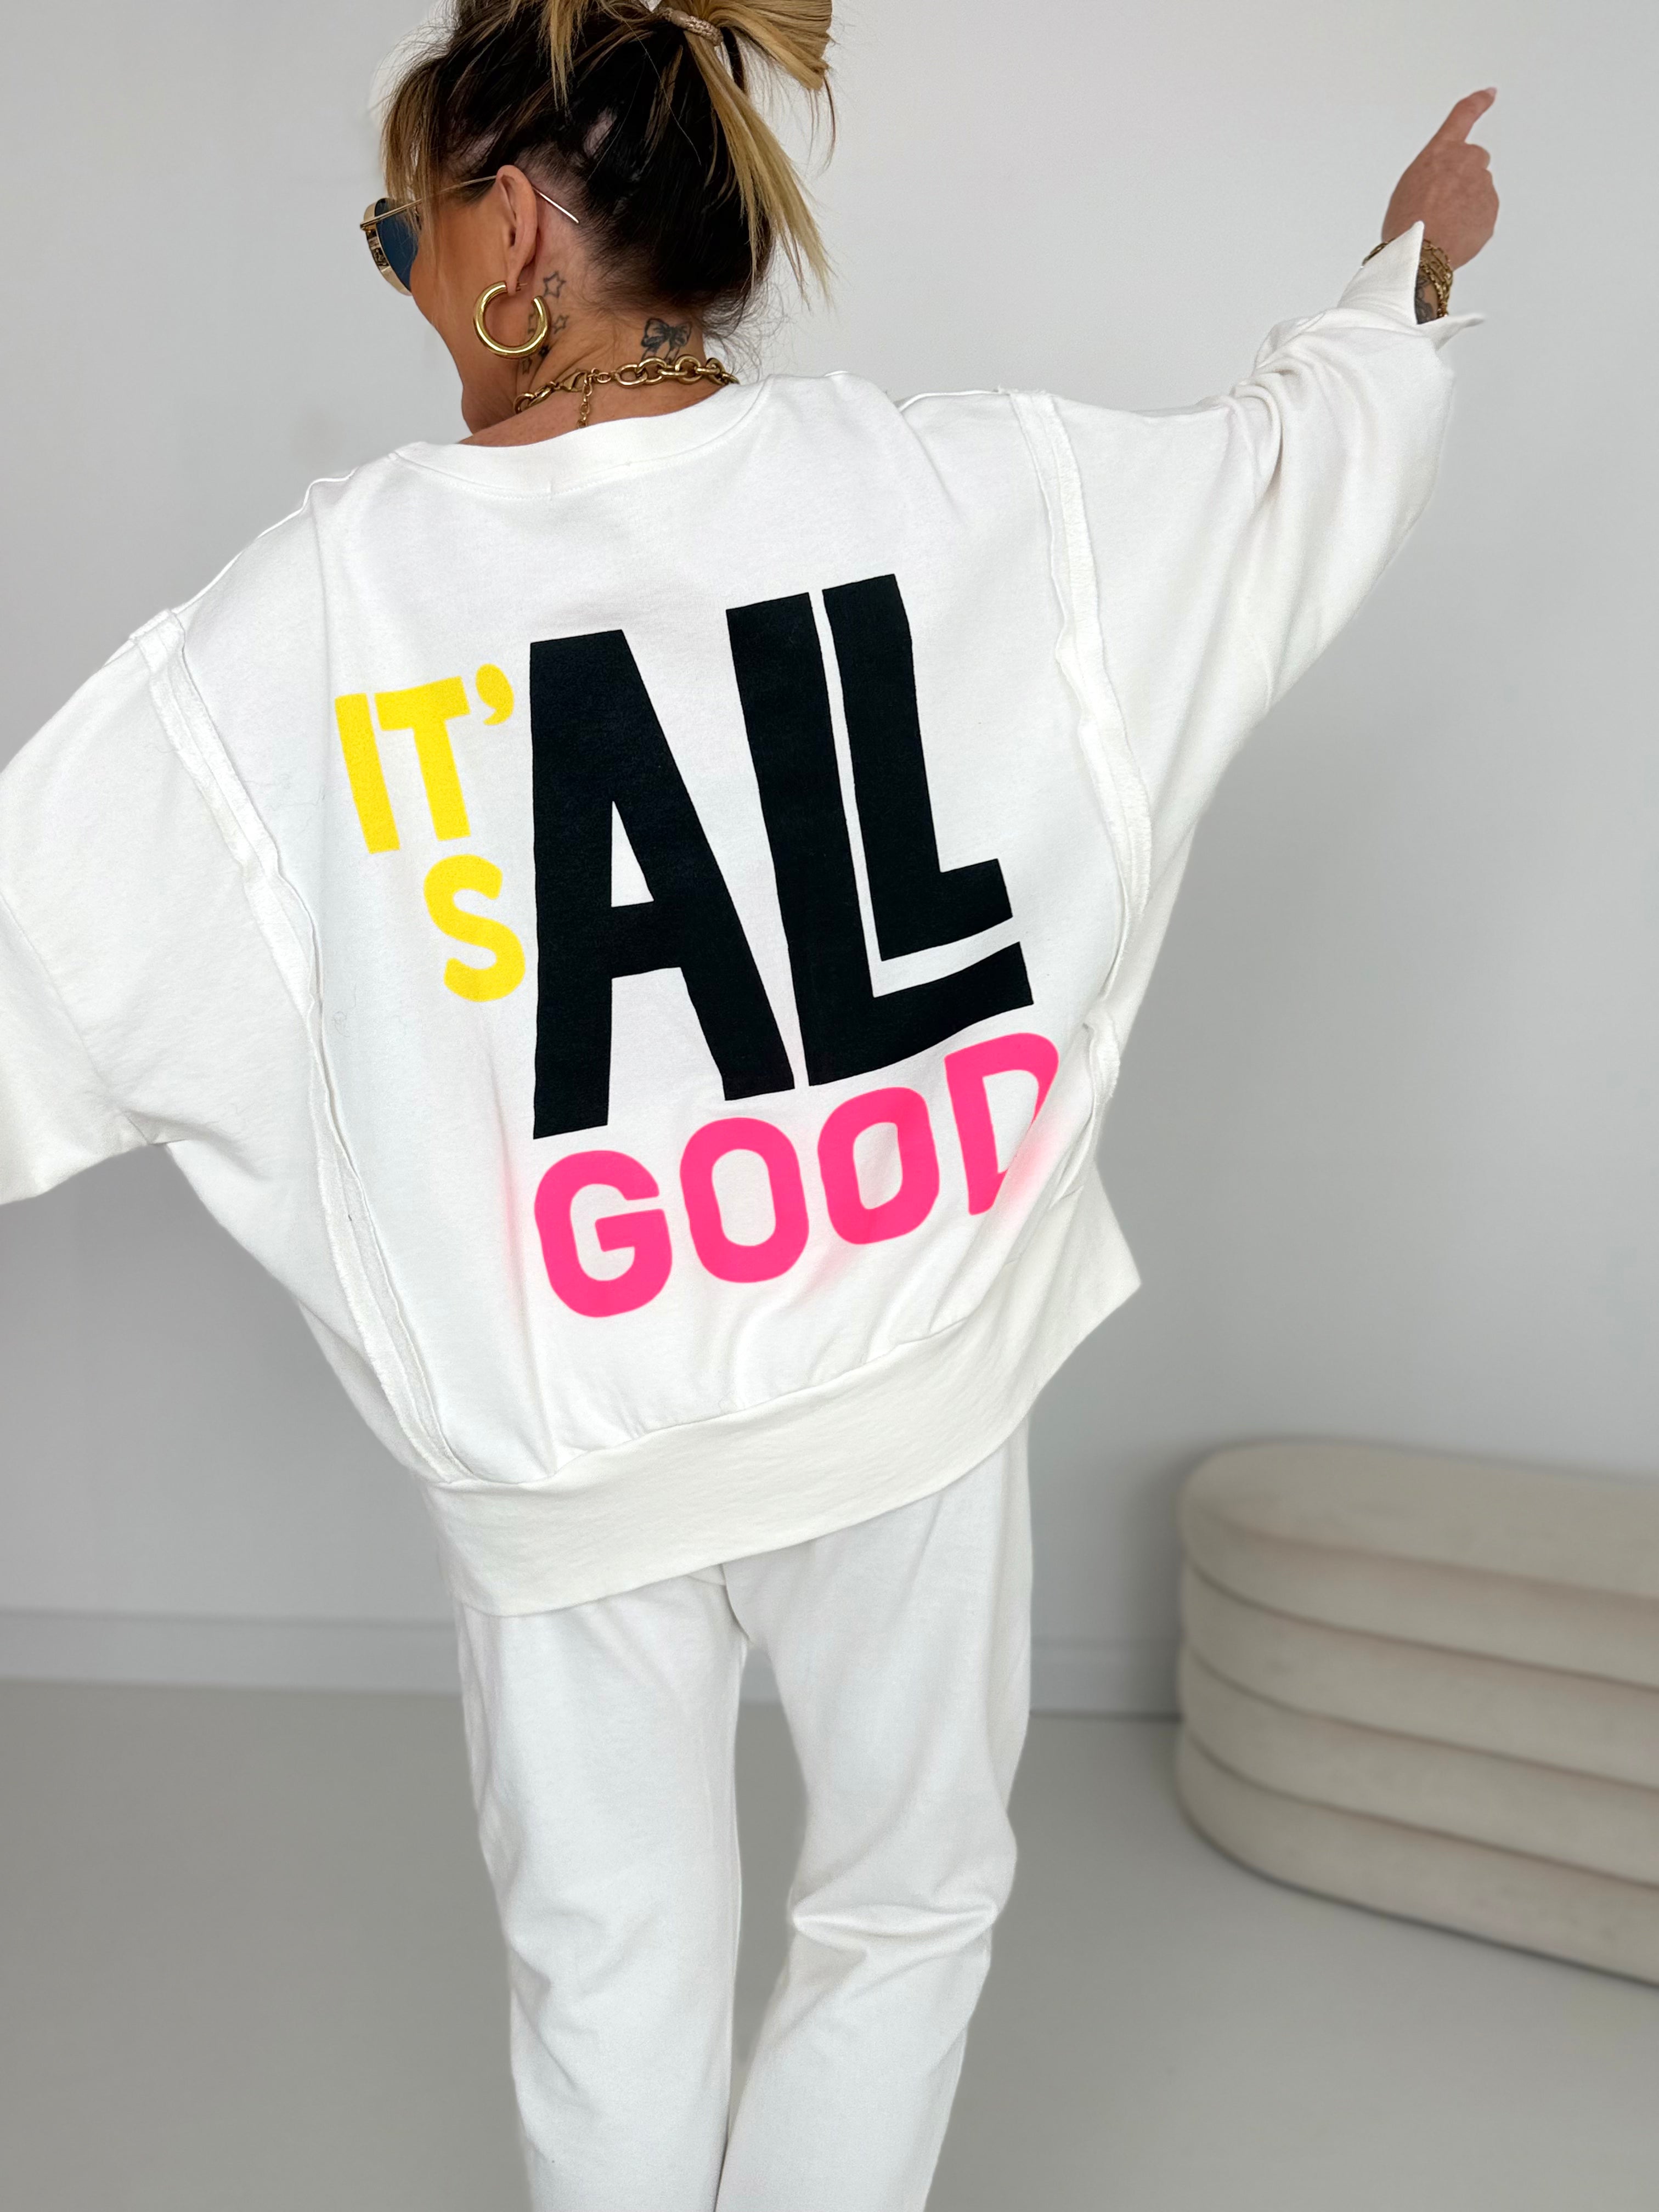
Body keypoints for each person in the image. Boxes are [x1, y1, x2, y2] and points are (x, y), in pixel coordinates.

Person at [0, 1, 1498, 2203]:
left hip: (568, 1456)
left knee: (608, 1977)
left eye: (397, 233)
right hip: (908, 1393)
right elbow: (1285, 482)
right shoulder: (969, 496)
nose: (401, 281)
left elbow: (38, 948)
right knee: (905, 1907)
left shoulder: (319, 615)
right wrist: (1404, 281)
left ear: (515, 230)